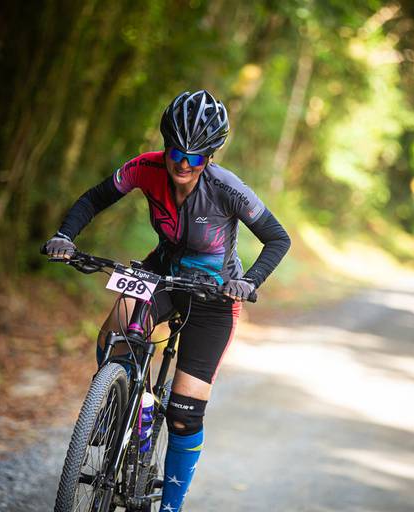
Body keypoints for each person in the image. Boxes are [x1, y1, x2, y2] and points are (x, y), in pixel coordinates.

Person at [44, 90, 291, 511]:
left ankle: (170, 507)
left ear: (210, 157)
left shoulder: (227, 188)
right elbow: (95, 198)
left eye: (196, 157)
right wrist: (65, 235)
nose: (184, 163)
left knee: (183, 414)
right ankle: (117, 401)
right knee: (118, 322)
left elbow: (277, 238)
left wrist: (248, 281)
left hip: (214, 296)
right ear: (166, 146)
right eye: (177, 152)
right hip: (161, 273)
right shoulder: (146, 168)